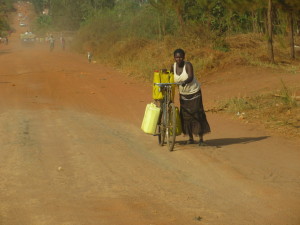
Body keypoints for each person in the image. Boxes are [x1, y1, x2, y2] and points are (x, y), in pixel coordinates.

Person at [170, 48, 211, 146]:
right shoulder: (173, 66)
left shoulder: (188, 65)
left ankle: (201, 139)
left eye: (180, 57)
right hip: (183, 94)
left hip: (194, 93)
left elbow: (190, 77)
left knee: (197, 113)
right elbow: (170, 77)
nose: (178, 59)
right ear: (174, 58)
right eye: (176, 57)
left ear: (183, 57)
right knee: (185, 115)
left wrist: (184, 82)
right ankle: (190, 138)